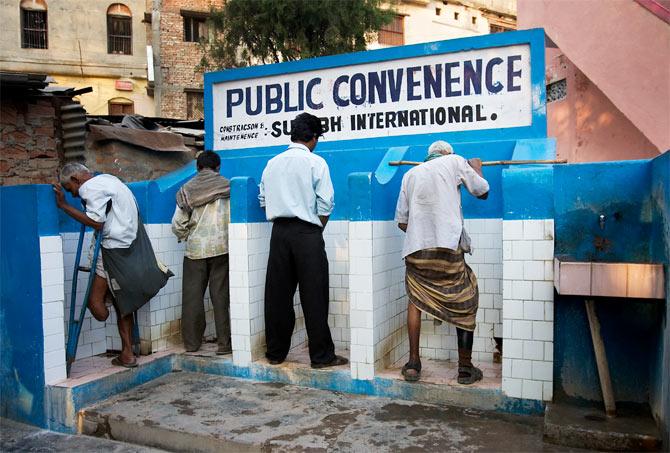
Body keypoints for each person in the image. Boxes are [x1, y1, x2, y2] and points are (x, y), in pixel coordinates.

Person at [54, 163, 171, 368]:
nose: (73, 194)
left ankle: (110, 308)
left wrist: (64, 206)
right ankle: (127, 354)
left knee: (97, 307)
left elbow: (96, 222)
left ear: (75, 180)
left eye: (70, 189)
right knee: (121, 304)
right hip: (129, 248)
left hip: (111, 251)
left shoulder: (89, 187)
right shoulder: (109, 179)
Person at [395, 140, 490, 384]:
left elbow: (402, 222)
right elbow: (482, 191)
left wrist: (423, 234)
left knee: (415, 299)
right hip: (447, 247)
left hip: (416, 249)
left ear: (430, 155)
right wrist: (477, 167)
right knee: (465, 298)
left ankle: (413, 364)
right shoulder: (455, 161)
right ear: (447, 153)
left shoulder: (410, 173)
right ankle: (465, 369)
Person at [258, 112, 348, 369]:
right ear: (314, 137)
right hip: (307, 233)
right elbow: (326, 203)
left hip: (279, 233)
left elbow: (263, 200)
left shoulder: (272, 163)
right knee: (315, 296)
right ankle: (321, 356)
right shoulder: (316, 163)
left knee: (277, 296)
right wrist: (316, 230)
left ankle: (275, 353)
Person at [172, 151, 232, 355]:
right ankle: (224, 344)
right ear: (218, 167)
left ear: (197, 168)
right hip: (222, 248)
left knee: (192, 298)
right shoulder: (228, 186)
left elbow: (178, 223)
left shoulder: (187, 190)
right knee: (221, 296)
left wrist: (187, 235)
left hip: (195, 250)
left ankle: (192, 343)